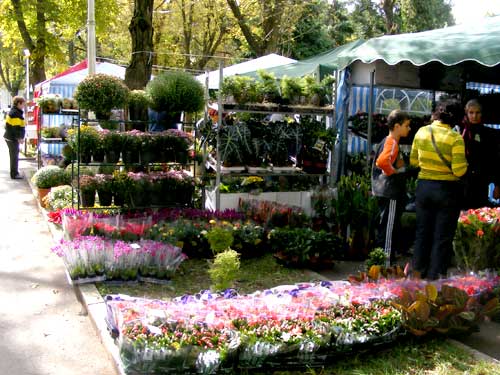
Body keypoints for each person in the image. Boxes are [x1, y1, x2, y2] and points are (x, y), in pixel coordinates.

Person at [409, 98, 468, 279]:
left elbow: (413, 161)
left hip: (424, 188)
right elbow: (459, 171)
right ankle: (435, 279)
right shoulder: (455, 138)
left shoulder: (421, 132)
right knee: (442, 236)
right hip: (447, 190)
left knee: (422, 232)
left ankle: (417, 273)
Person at [371, 110, 411, 266]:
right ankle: (385, 264)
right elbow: (381, 162)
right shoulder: (392, 142)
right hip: (390, 192)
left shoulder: (387, 141)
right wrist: (393, 172)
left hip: (384, 191)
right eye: (406, 126)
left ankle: (383, 262)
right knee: (388, 229)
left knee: (386, 226)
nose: (409, 129)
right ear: (396, 126)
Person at [458, 99, 500, 209]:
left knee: (478, 215)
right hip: (461, 181)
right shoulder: (460, 131)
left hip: (481, 182)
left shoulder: (490, 134)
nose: (474, 116)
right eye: (471, 113)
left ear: (482, 113)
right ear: (466, 113)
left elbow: (495, 159)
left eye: (477, 113)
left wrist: (497, 184)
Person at [4, 96, 26, 179]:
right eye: (23, 104)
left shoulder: (15, 112)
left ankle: (15, 172)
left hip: (10, 137)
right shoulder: (16, 113)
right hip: (12, 138)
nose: (23, 106)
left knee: (14, 155)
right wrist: (19, 138)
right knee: (14, 156)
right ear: (18, 103)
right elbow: (15, 128)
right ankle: (14, 174)